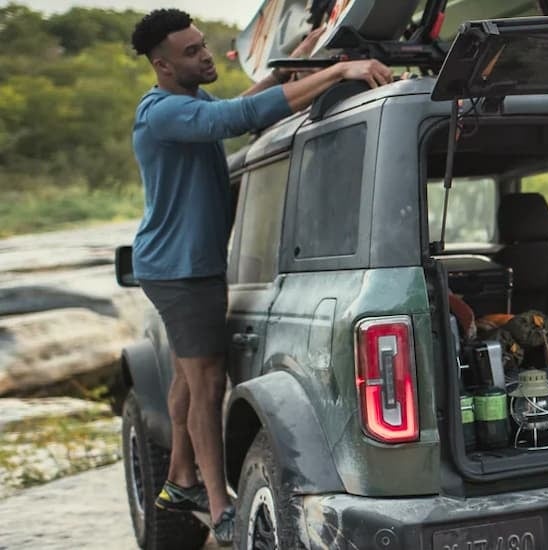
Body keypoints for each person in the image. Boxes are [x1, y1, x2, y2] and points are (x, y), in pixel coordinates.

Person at [128, 8, 392, 545]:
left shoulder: (188, 99)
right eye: (192, 52)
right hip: (180, 269)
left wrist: (297, 63)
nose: (205, 56)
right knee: (206, 383)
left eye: (204, 45)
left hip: (187, 265)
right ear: (161, 65)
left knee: (186, 376)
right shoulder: (161, 113)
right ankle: (220, 504)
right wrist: (339, 73)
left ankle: (180, 478)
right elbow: (238, 118)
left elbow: (244, 103)